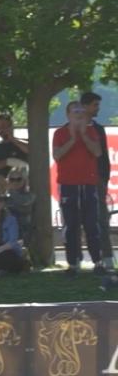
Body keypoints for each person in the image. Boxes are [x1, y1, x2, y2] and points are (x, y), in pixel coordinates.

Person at [53, 100, 105, 276]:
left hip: (88, 184)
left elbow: (97, 152)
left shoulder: (91, 131)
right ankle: (73, 263)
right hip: (68, 184)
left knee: (91, 224)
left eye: (81, 113)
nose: (79, 115)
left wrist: (83, 136)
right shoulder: (60, 133)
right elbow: (57, 155)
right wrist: (73, 138)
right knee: (71, 225)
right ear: (68, 115)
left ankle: (98, 262)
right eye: (76, 113)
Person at [82, 91, 113, 269]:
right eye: (95, 105)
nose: (97, 109)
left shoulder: (98, 129)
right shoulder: (71, 128)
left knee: (101, 219)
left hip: (97, 181)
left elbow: (104, 158)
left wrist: (103, 179)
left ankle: (107, 258)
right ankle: (81, 260)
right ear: (85, 106)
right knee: (78, 220)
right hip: (77, 181)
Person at [0, 113, 29, 181]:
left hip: (19, 186)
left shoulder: (22, 143)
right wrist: (7, 162)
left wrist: (13, 140)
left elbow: (31, 151)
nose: (1, 130)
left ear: (11, 127)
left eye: (3, 126)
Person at [3, 166, 34, 249]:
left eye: (18, 179)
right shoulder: (4, 198)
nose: (15, 182)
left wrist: (9, 189)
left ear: (24, 180)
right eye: (12, 179)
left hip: (23, 234)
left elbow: (22, 202)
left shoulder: (30, 196)